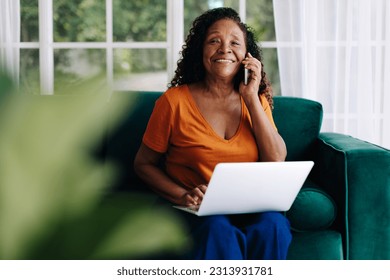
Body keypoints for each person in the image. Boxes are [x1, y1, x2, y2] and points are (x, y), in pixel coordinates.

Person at [134, 7, 291, 260]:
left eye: (234, 43)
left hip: (250, 204)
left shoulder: (255, 100)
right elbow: (143, 164)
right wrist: (183, 196)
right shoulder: (173, 102)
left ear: (247, 55)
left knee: (273, 226)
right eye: (214, 41)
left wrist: (250, 98)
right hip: (198, 209)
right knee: (218, 229)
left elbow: (276, 159)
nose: (224, 49)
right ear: (201, 50)